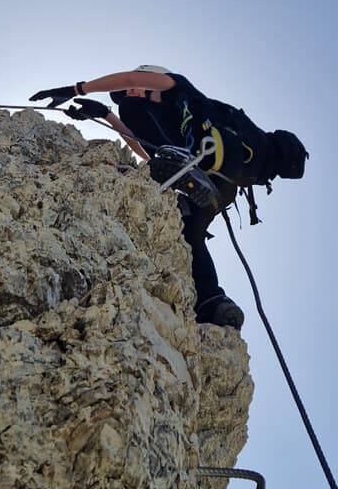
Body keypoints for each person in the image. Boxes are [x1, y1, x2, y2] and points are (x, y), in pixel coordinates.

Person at [30, 66, 246, 328]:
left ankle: (182, 165)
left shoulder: (176, 88)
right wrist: (105, 114)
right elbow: (145, 150)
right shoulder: (170, 116)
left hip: (199, 171)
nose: (129, 93)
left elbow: (132, 79)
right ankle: (213, 302)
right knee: (191, 236)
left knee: (131, 108)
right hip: (210, 184)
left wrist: (74, 89)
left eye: (131, 91)